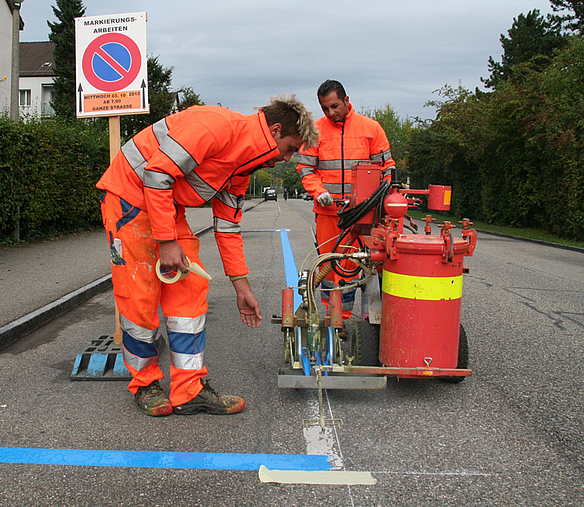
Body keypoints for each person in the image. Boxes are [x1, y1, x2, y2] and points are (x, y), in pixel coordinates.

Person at [97, 95, 318, 417]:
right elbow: (157, 174)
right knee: (139, 300)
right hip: (128, 201)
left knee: (188, 294)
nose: (286, 158)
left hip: (165, 208)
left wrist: (242, 288)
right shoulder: (215, 126)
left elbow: (228, 228)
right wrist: (167, 240)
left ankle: (189, 390)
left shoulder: (242, 168)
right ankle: (145, 384)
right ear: (275, 130)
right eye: (289, 148)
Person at [296, 80, 396, 310]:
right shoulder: (315, 131)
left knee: (364, 265)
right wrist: (318, 192)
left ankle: (361, 318)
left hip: (364, 216)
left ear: (346, 101)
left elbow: (387, 167)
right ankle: (334, 319)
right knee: (330, 267)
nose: (331, 113)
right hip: (329, 214)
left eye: (334, 106)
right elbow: (305, 169)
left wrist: (381, 197)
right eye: (325, 108)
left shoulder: (371, 129)